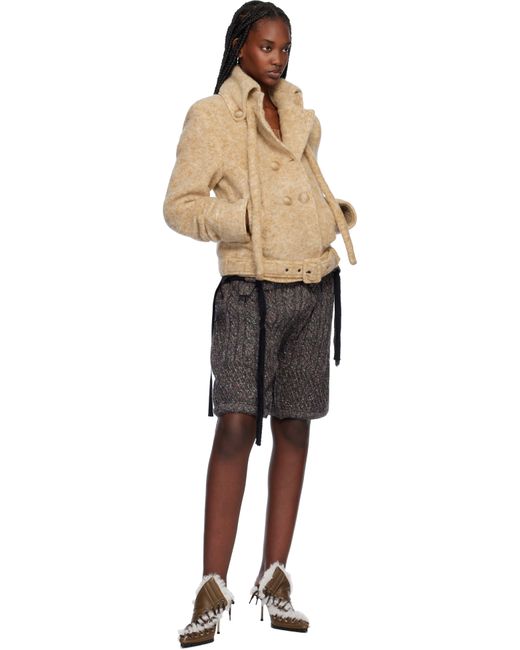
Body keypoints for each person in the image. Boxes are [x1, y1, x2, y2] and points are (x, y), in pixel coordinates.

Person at [162, 2, 358, 646]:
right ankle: (210, 589)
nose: (277, 58)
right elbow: (179, 205)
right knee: (236, 426)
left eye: (285, 48)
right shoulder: (211, 116)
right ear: (239, 46)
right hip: (250, 291)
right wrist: (240, 222)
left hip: (313, 284)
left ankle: (275, 579)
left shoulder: (299, 114)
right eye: (267, 46)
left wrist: (329, 215)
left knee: (296, 426)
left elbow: (299, 184)